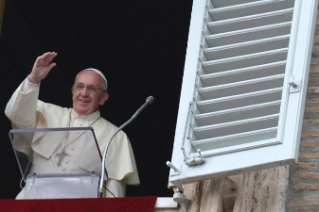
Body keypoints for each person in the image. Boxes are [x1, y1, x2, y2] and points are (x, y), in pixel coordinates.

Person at [5, 52, 140, 198]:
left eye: (91, 88)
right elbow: (15, 113)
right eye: (80, 86)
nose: (84, 93)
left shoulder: (115, 136)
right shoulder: (46, 113)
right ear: (72, 91)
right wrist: (34, 79)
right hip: (35, 202)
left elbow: (114, 191)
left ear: (103, 98)